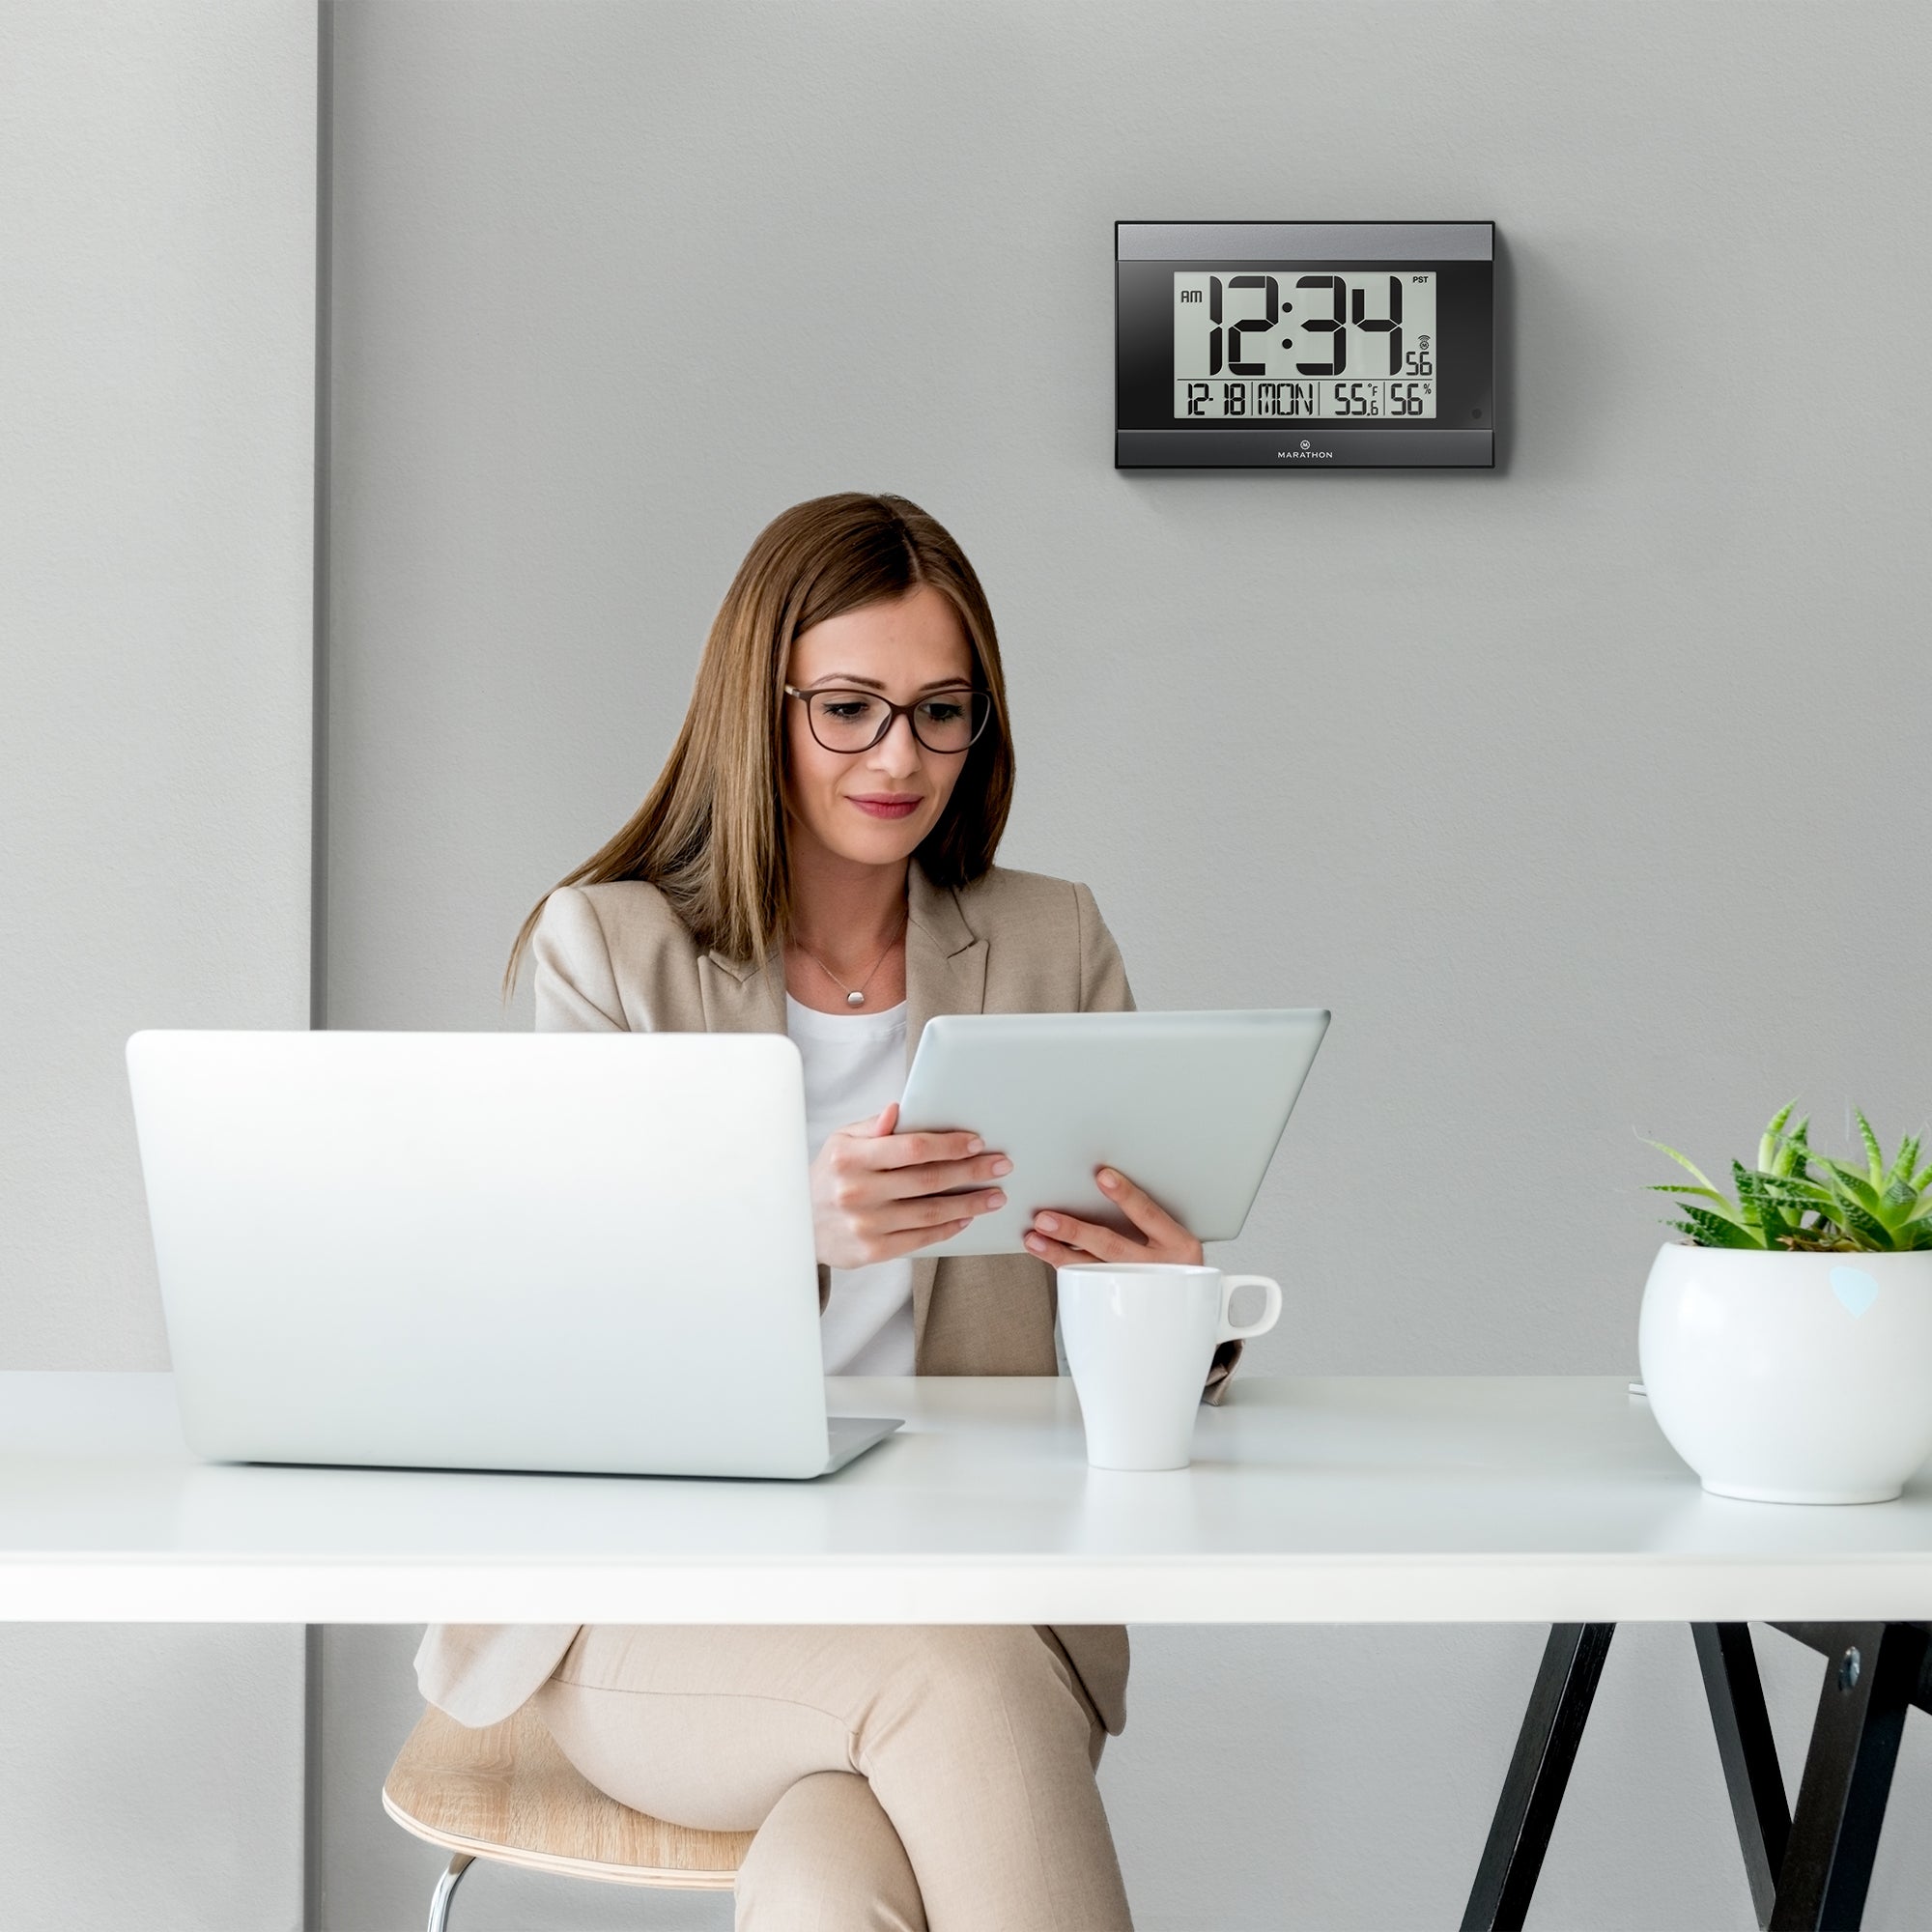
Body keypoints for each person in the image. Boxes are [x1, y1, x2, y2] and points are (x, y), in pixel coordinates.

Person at [415, 493, 1238, 1931]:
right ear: (762, 706)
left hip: (967, 1577)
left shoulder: (1052, 939)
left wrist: (1164, 1295)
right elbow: (564, 1339)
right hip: (656, 1607)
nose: (898, 757)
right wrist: (782, 1230)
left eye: (939, 712)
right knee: (953, 1682)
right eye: (849, 709)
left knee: (832, 1884)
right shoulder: (610, 949)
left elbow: (1134, 1348)